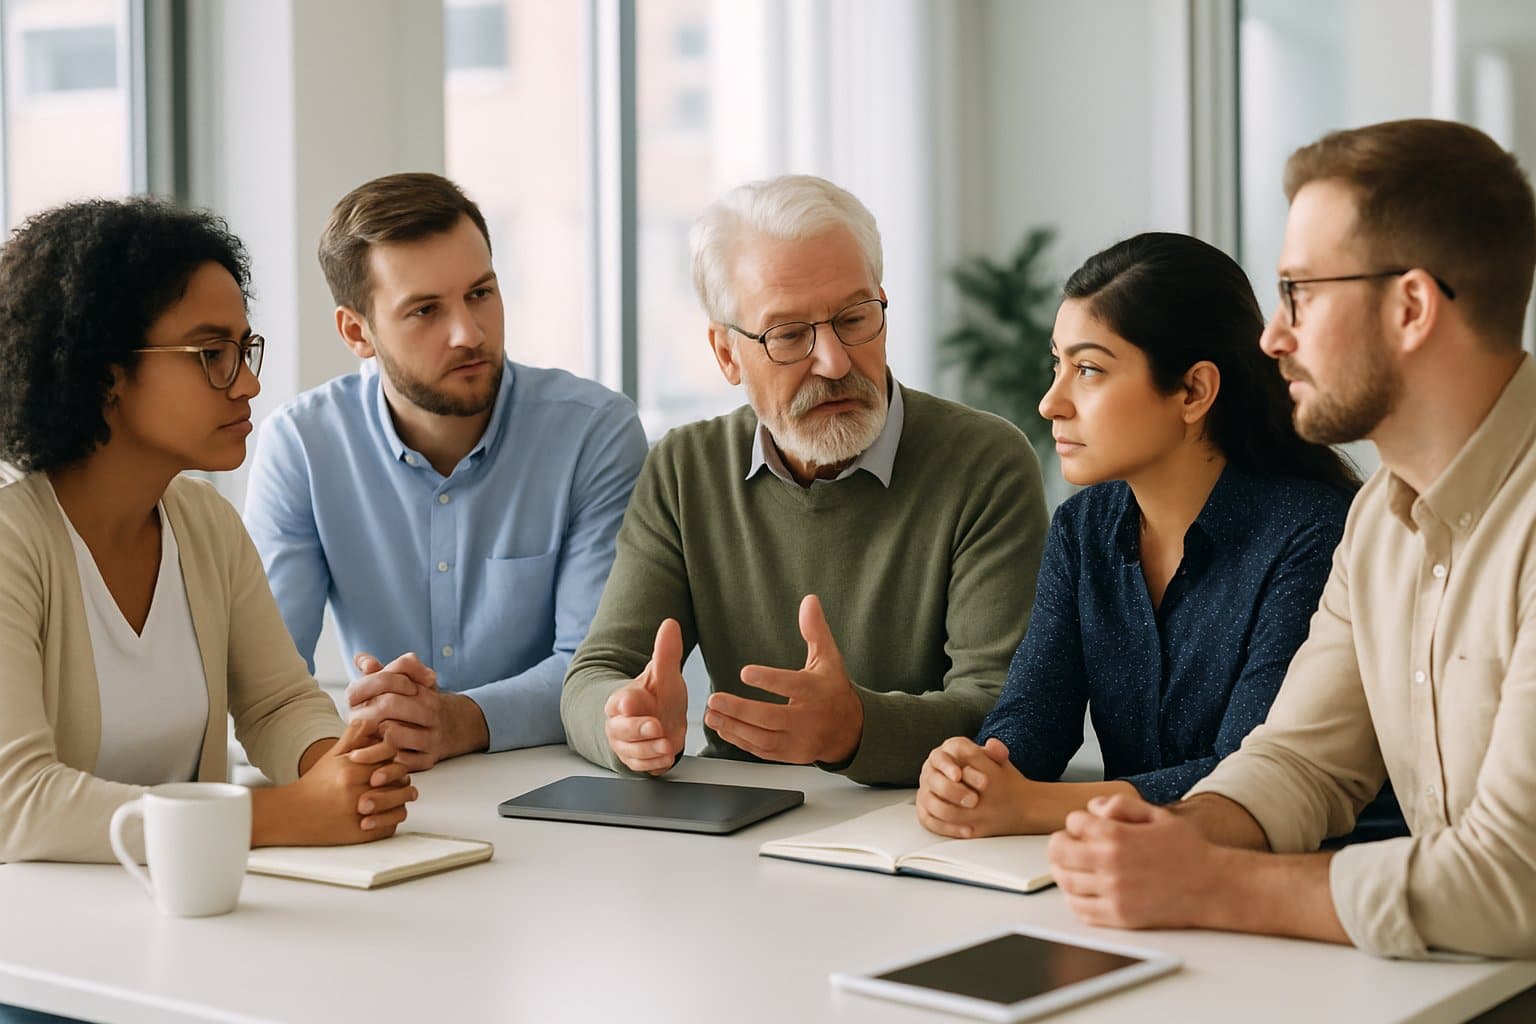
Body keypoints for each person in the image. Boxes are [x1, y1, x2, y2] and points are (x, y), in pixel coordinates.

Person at [1046, 119, 1536, 960]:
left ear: (1411, 306)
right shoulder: (1381, 517)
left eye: (1300, 293)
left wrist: (1208, 881)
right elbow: (1301, 765)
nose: (1273, 337)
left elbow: (1515, 881)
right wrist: (1177, 831)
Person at [560, 174, 1048, 786]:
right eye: (789, 334)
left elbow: (1010, 710)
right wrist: (622, 721)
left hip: (921, 828)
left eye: (854, 317)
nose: (835, 361)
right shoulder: (687, 468)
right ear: (726, 355)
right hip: (736, 828)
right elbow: (597, 670)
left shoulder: (985, 463)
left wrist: (856, 731)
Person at [917, 232, 1385, 839]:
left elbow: (1250, 778)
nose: (1050, 402)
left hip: (1305, 881)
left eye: (1087, 369)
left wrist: (1031, 808)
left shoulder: (1315, 536)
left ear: (1193, 391)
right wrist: (973, 772)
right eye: (1056, 364)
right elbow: (1035, 719)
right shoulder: (1083, 528)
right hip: (1140, 872)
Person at [0, 197, 419, 865]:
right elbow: (15, 804)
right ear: (105, 372)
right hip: (46, 941)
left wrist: (343, 765)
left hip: (191, 915)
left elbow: (277, 703)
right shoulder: (12, 544)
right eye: (211, 353)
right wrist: (281, 812)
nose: (248, 382)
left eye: (244, 348)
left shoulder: (206, 523)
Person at [244, 173, 647, 769]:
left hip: (558, 781)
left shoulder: (594, 432)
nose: (469, 333)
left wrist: (456, 721)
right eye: (425, 310)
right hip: (388, 782)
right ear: (358, 332)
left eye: (480, 293)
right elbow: (267, 683)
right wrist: (338, 754)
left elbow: (595, 668)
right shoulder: (303, 445)